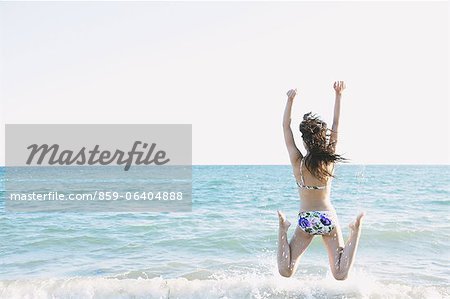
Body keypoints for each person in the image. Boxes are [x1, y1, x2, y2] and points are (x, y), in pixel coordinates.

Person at [277, 81, 365, 280]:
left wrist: (290, 100)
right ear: (321, 138)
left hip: (306, 220)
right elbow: (336, 124)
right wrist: (338, 95)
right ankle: (355, 230)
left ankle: (282, 227)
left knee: (286, 271)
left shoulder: (297, 161)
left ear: (305, 140)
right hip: (327, 219)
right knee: (340, 274)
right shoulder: (329, 160)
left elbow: (285, 127)